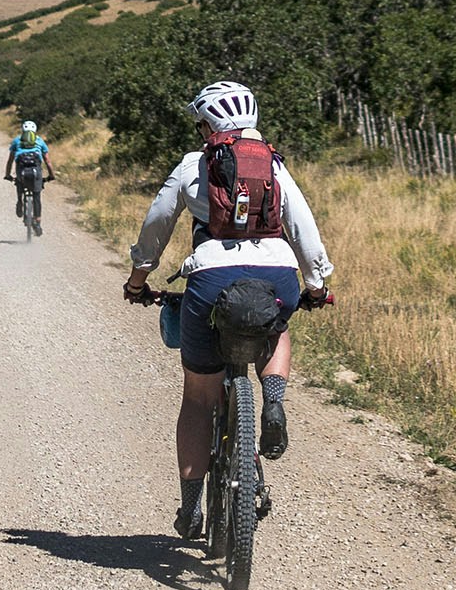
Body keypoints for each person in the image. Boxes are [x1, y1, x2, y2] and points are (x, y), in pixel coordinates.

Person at [124, 80, 333, 541]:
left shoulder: (193, 165)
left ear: (208, 125)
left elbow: (157, 223)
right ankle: (272, 400)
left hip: (211, 277)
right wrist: (316, 286)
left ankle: (190, 509)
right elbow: (304, 229)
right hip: (276, 275)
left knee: (199, 398)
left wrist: (139, 278)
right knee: (277, 330)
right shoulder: (275, 166)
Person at [4, 119, 53, 227]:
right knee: (36, 195)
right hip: (36, 170)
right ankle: (38, 221)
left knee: (19, 181)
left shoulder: (17, 141)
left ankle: (19, 202)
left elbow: (10, 160)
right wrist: (51, 175)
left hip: (21, 169)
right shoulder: (40, 141)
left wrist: (8, 175)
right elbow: (48, 162)